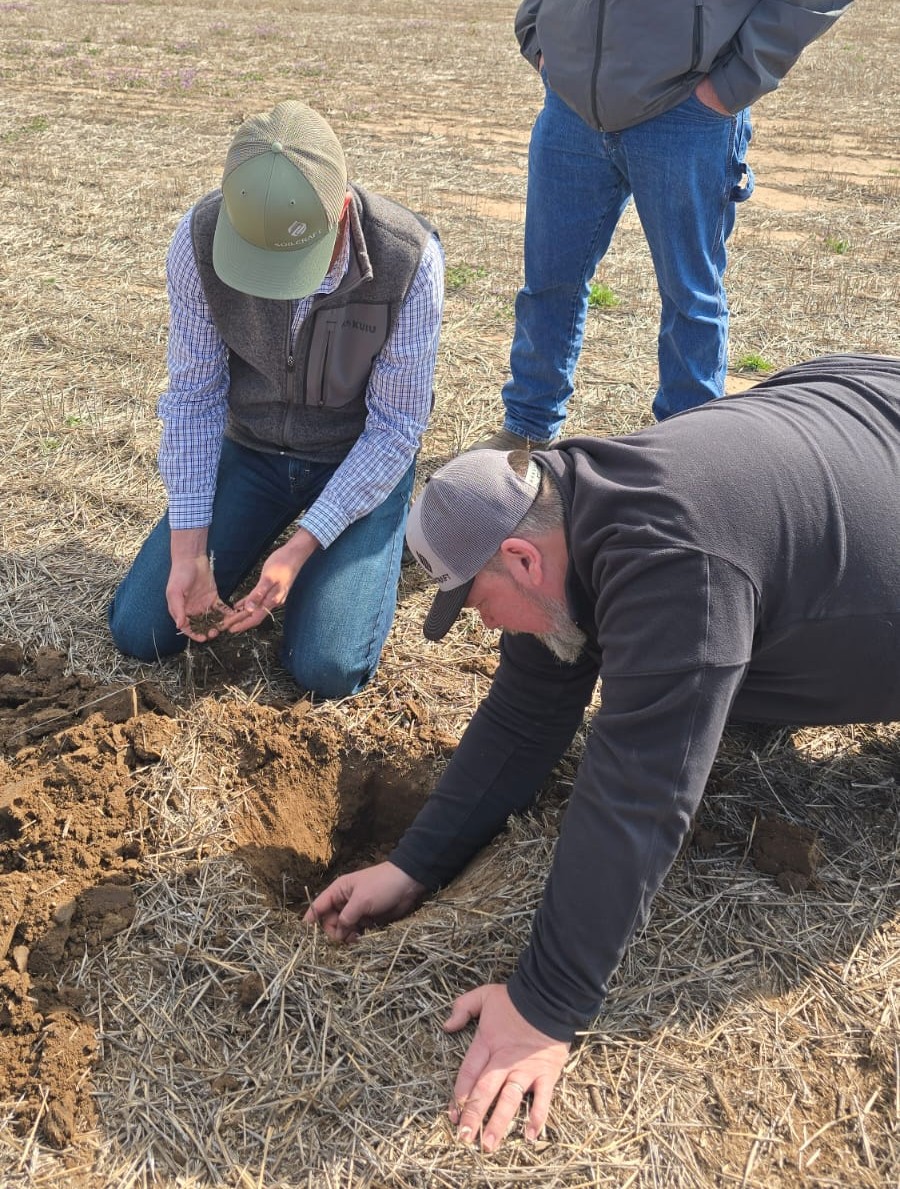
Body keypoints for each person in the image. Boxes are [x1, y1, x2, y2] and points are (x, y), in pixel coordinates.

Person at [306, 353, 900, 1150]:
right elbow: (527, 709)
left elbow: (641, 791)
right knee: (693, 656)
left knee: (700, 674)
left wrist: (543, 1006)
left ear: (518, 560)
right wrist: (415, 862)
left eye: (476, 604)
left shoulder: (677, 564)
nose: (483, 628)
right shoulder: (565, 506)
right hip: (853, 408)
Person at [109, 100, 444, 698]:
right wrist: (190, 552)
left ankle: (339, 556)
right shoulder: (198, 239)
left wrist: (301, 545)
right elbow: (194, 396)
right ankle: (254, 540)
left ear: (341, 209)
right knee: (144, 630)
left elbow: (395, 428)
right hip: (254, 450)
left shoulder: (407, 258)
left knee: (325, 667)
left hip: (355, 456)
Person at [475, 0, 852, 451]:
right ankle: (526, 431)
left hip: (687, 112)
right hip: (570, 105)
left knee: (689, 298)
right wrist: (539, 31)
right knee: (547, 284)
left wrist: (734, 81)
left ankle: (684, 458)